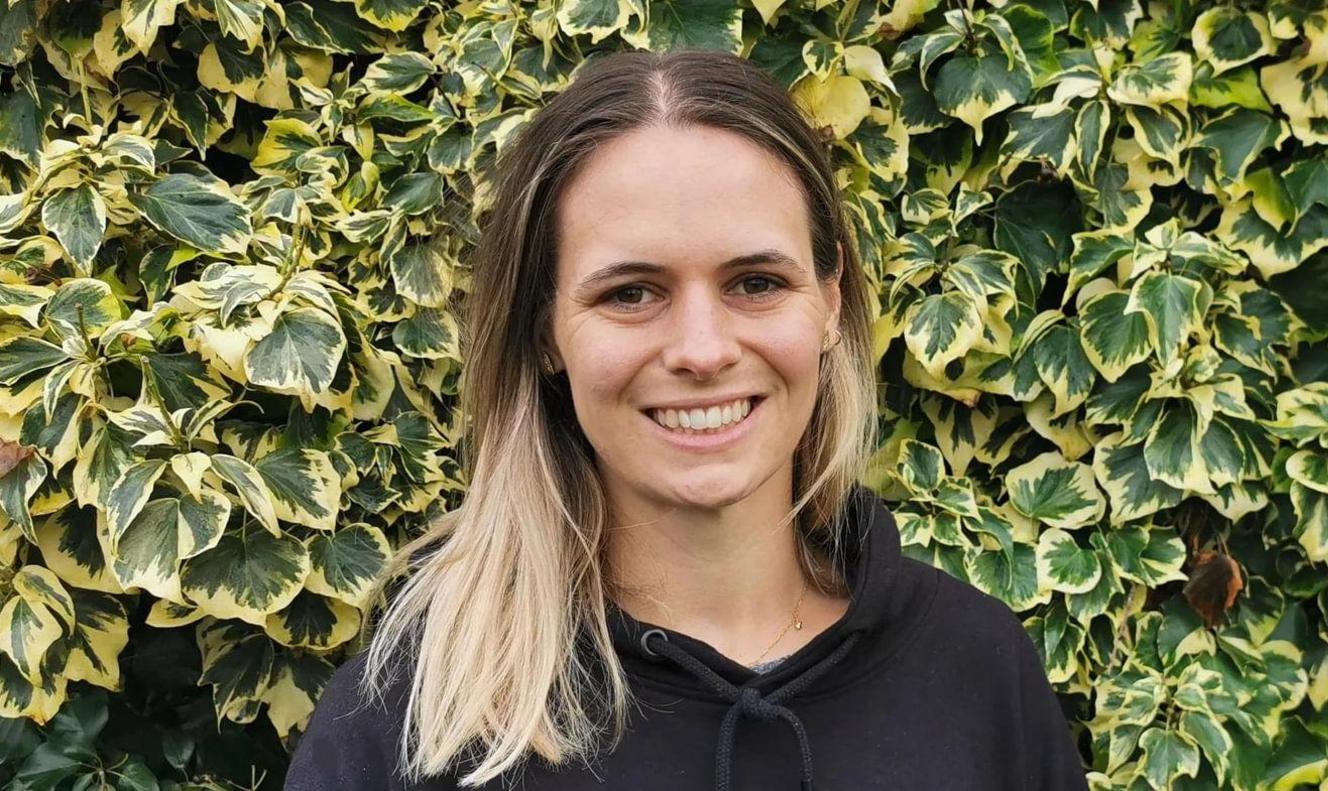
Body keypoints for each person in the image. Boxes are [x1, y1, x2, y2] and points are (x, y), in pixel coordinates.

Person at [284, 48, 1088, 790]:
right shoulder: (409, 722)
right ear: (544, 331)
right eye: (630, 293)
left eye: (757, 282)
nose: (703, 350)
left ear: (831, 300)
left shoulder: (979, 672)